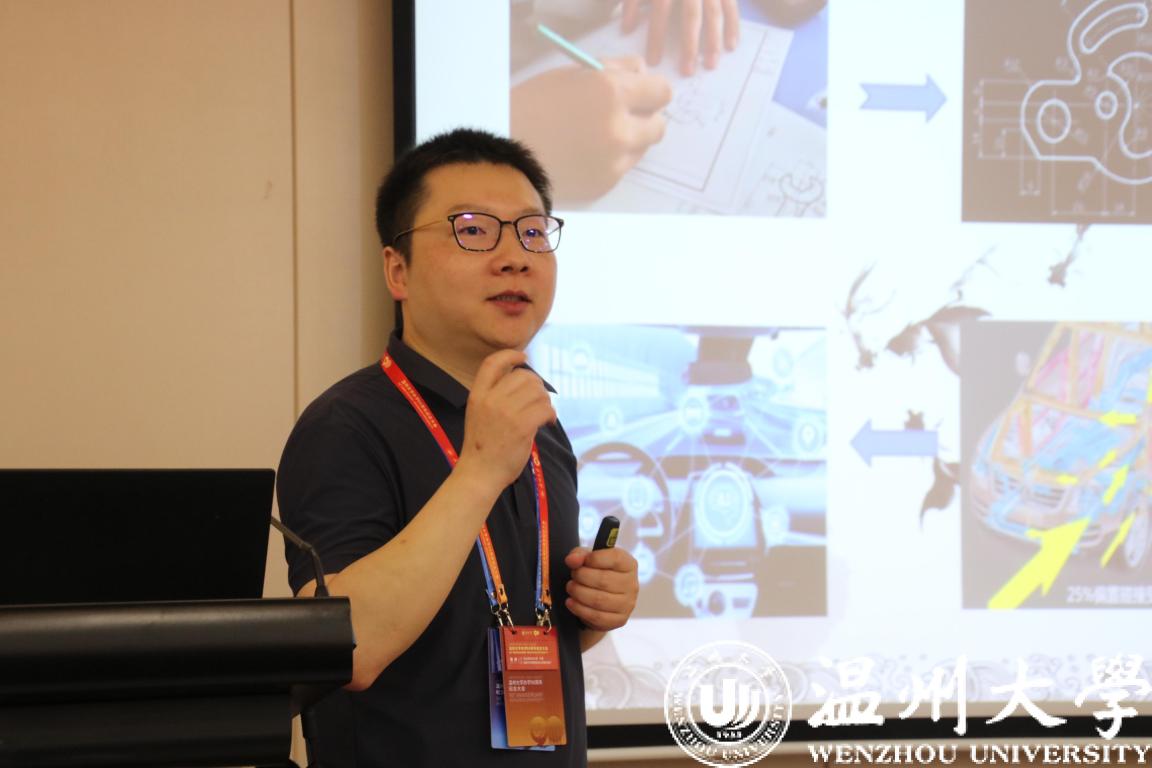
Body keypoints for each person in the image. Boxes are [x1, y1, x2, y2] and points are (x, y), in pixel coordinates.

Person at [278, 127, 640, 767]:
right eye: (473, 230)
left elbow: (489, 634)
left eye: (533, 232)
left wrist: (588, 613)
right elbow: (348, 650)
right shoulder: (346, 426)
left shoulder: (538, 423)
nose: (515, 258)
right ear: (398, 270)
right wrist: (480, 471)